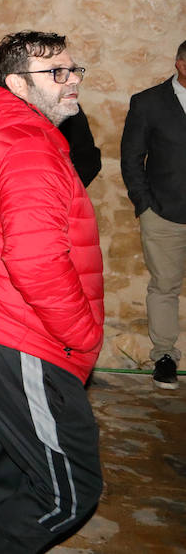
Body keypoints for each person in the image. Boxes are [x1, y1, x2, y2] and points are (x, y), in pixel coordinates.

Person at [0, 30, 102, 552]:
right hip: (19, 336)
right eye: (56, 73)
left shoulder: (11, 136)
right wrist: (82, 337)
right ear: (17, 83)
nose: (72, 81)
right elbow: (36, 264)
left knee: (6, 478)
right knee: (69, 493)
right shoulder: (31, 147)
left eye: (74, 70)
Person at [120, 39, 186, 391]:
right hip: (163, 213)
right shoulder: (148, 103)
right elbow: (132, 158)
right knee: (164, 286)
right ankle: (164, 356)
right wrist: (144, 204)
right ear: (181, 64)